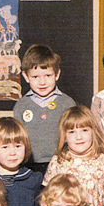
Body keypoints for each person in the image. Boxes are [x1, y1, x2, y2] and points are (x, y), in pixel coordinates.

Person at [14, 44, 76, 175]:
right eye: (35, 77)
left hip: (61, 164)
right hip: (29, 166)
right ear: (26, 77)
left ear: (57, 74)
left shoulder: (67, 103)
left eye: (48, 75)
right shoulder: (21, 105)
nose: (42, 82)